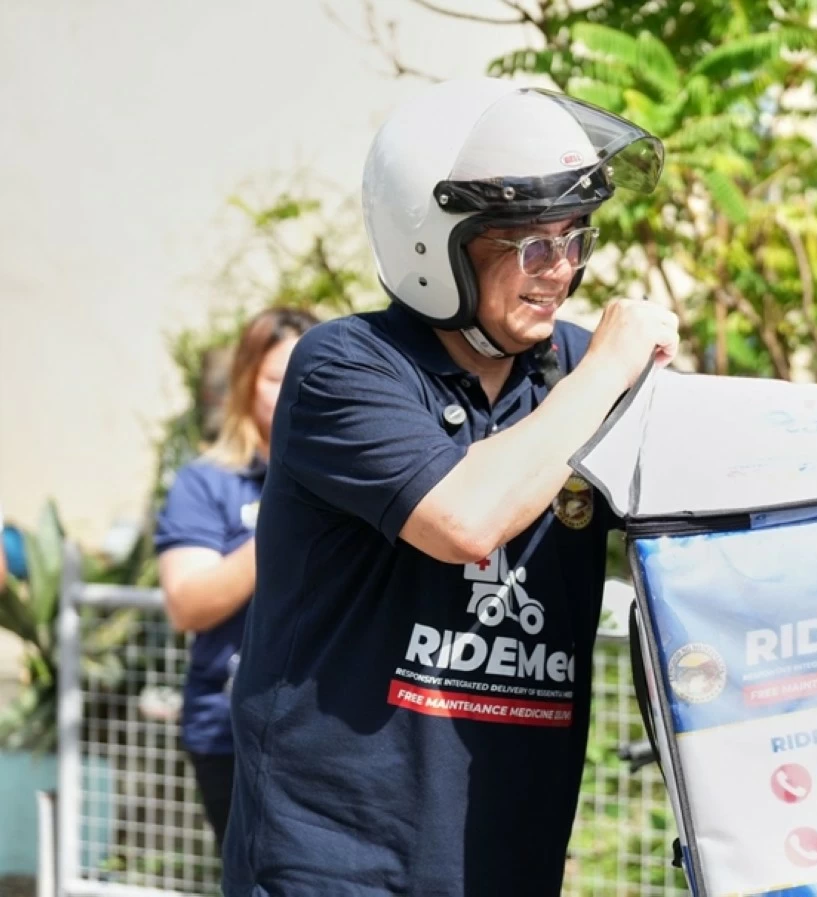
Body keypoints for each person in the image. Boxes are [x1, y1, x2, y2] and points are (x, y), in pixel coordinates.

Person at [221, 77, 680, 896]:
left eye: (577, 240)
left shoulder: (572, 373)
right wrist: (613, 366)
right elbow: (466, 517)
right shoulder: (346, 366)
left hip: (504, 862)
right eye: (532, 245)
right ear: (433, 243)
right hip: (338, 865)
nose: (562, 272)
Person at [154, 306, 318, 849]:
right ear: (247, 383)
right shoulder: (207, 483)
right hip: (229, 732)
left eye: (306, 376)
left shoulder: (357, 476)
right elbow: (187, 604)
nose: (292, 392)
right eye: (276, 379)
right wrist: (290, 514)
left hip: (328, 731)